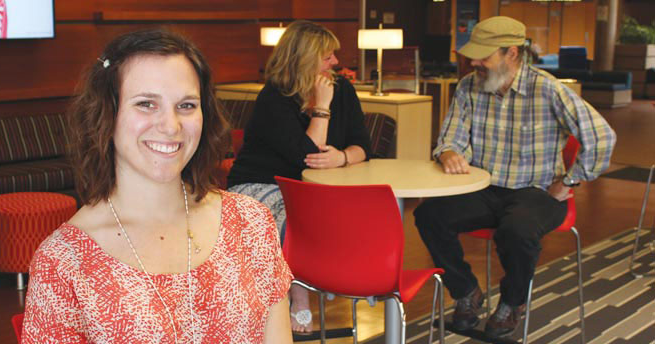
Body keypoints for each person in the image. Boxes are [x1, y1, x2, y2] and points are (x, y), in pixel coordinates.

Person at [22, 29, 293, 343]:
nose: (170, 125)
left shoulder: (250, 223)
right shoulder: (64, 263)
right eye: (147, 104)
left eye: (187, 105)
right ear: (107, 115)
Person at [414, 16, 616, 337]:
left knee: (517, 231)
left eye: (484, 55)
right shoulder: (468, 86)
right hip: (483, 187)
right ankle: (466, 291)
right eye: (474, 54)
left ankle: (512, 301)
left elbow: (602, 137)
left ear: (512, 53)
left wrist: (570, 181)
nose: (474, 61)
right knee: (428, 215)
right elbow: (451, 137)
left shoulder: (549, 90)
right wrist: (448, 151)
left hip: (537, 192)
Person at [227, 20, 372, 334]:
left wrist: (343, 156)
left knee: (326, 214)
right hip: (261, 184)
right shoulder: (274, 97)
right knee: (295, 219)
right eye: (327, 56)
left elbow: (364, 145)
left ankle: (325, 279)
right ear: (303, 58)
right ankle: (299, 299)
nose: (335, 62)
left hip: (315, 188)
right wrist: (321, 108)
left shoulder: (342, 88)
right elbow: (305, 155)